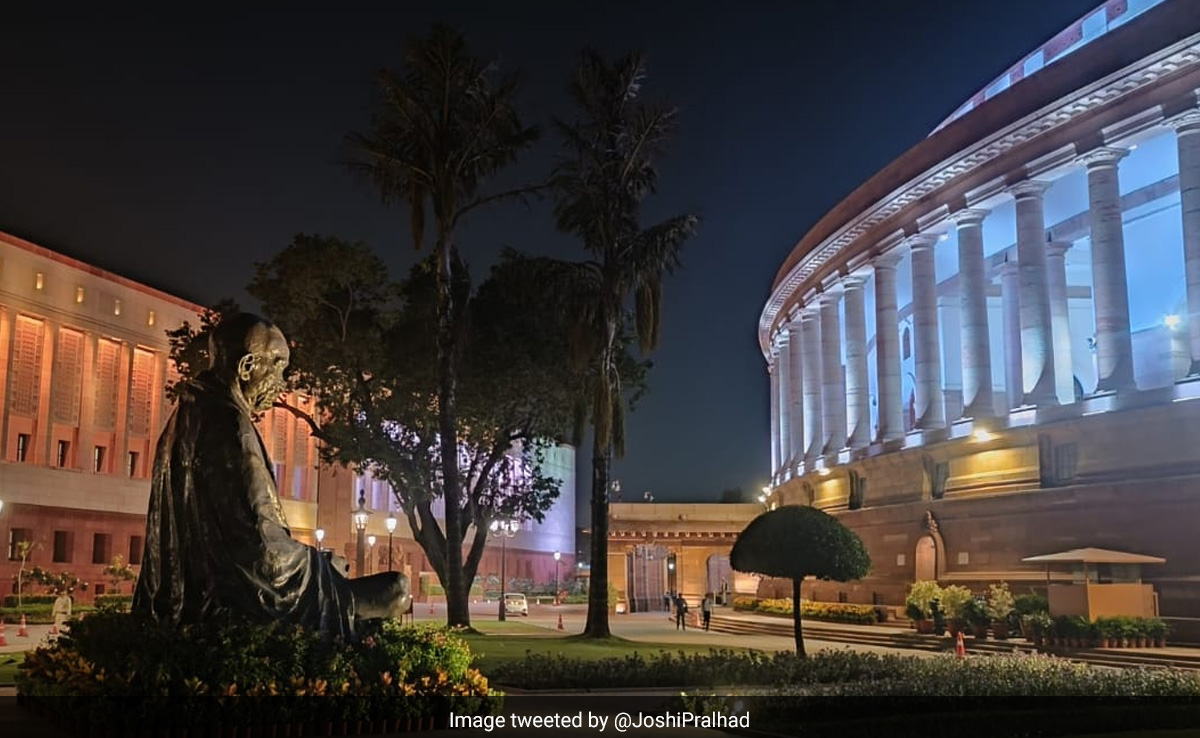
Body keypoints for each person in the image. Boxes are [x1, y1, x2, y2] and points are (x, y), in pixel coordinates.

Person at [133, 313, 410, 638]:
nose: (282, 382)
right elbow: (261, 552)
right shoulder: (231, 428)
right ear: (247, 366)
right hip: (240, 601)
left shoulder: (185, 416)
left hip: (194, 599)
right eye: (278, 367)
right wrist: (321, 566)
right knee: (396, 590)